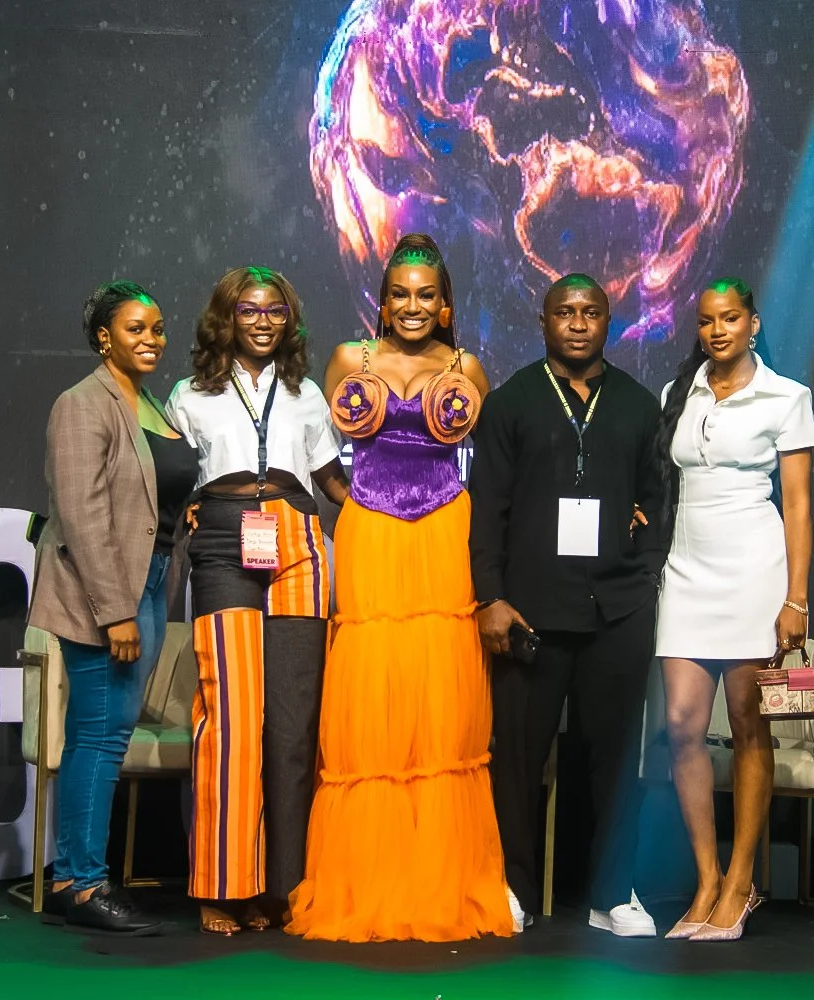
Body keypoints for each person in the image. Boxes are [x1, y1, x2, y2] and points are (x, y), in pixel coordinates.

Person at [285, 233, 512, 942]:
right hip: (372, 535)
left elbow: (493, 460)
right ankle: (369, 880)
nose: (412, 306)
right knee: (372, 698)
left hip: (444, 532)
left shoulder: (468, 366)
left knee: (439, 700)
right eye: (400, 294)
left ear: (445, 307)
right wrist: (351, 499)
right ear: (382, 302)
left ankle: (441, 878)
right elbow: (323, 455)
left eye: (425, 295)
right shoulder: (350, 360)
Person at [469, 274, 665, 936]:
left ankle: (612, 896)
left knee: (613, 759)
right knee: (518, 760)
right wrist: (491, 598)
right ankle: (514, 888)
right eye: (565, 313)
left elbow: (660, 500)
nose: (578, 323)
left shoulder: (639, 406)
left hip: (617, 610)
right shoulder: (512, 402)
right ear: (543, 319)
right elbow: (487, 509)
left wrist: (641, 573)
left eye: (591, 313)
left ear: (608, 321)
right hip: (530, 612)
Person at [164, 266, 348, 936]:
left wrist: (393, 520)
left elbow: (331, 479)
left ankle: (282, 885)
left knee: (294, 724)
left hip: (297, 540)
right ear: (227, 318)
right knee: (232, 718)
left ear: (288, 321)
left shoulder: (305, 395)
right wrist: (179, 512)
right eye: (250, 309)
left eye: (275, 311)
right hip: (221, 541)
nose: (263, 321)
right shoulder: (189, 395)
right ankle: (223, 886)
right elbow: (174, 473)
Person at [28, 280, 198, 935]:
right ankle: (80, 883)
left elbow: (156, 493)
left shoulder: (149, 402)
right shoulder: (82, 404)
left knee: (110, 733)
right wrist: (114, 611)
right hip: (103, 591)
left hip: (150, 580)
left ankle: (80, 869)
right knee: (98, 735)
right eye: (135, 329)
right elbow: (81, 514)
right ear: (104, 337)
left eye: (157, 328)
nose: (151, 339)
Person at [656, 276, 814, 942]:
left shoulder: (787, 396)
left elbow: (800, 503)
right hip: (686, 570)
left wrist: (795, 599)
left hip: (755, 571)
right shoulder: (677, 394)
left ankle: (743, 881)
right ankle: (706, 880)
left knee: (751, 727)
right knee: (683, 723)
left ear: (753, 323)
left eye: (729, 318)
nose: (716, 330)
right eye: (706, 321)